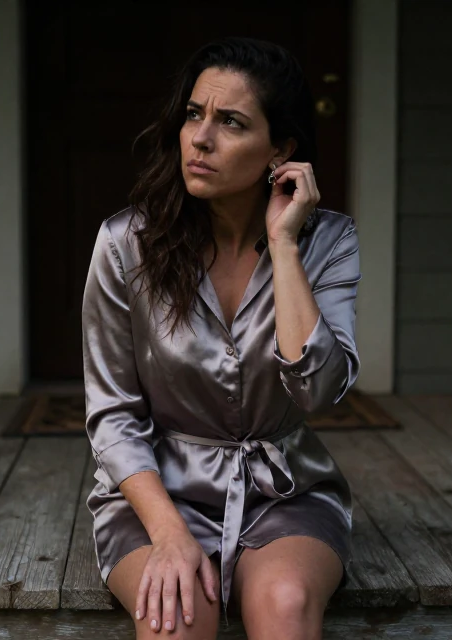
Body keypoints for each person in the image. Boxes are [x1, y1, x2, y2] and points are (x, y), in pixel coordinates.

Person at [82, 37, 360, 640]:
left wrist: (284, 246)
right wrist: (170, 534)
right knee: (176, 617)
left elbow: (317, 392)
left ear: (280, 150)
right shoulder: (124, 245)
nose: (200, 139)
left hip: (283, 489)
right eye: (193, 115)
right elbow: (112, 415)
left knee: (285, 603)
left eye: (230, 122)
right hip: (157, 492)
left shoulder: (329, 242)